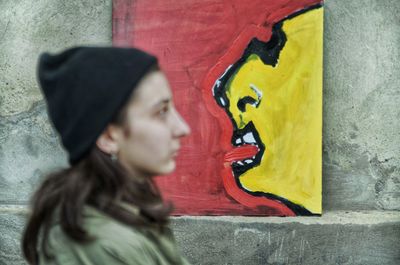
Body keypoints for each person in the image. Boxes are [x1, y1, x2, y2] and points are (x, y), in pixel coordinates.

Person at [22, 47, 191, 265]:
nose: (183, 128)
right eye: (161, 112)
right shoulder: (96, 246)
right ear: (109, 137)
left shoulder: (129, 211)